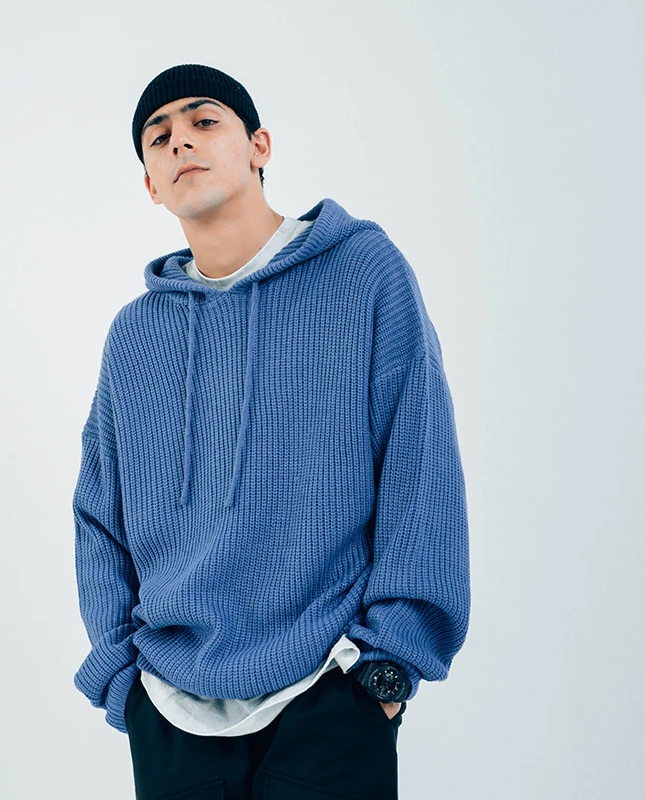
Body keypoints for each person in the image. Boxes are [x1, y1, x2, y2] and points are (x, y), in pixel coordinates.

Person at [72, 63, 471, 799]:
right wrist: (122, 681)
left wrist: (388, 669)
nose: (180, 141)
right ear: (151, 185)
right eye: (159, 137)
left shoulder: (363, 274)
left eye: (203, 120)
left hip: (331, 691)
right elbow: (98, 514)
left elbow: (420, 465)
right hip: (170, 706)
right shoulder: (135, 335)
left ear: (259, 145)